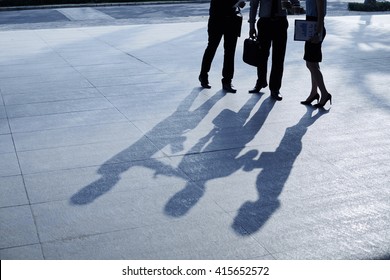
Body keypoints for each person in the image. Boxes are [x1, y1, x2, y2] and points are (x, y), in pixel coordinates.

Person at [248, 0, 297, 100]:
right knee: (262, 55)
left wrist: (291, 6)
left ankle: (275, 88)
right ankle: (261, 81)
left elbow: (296, 3)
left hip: (281, 22)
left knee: (278, 57)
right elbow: (254, 4)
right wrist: (251, 25)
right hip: (264, 23)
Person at [199, 0, 246, 93]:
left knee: (229, 51)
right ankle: (204, 75)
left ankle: (227, 80)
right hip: (217, 19)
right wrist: (236, 3)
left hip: (231, 19)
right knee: (212, 48)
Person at [300, 0, 332, 107]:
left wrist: (318, 33)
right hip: (311, 25)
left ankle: (324, 93)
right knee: (313, 63)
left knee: (311, 64)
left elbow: (321, 13)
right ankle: (314, 92)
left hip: (315, 27)